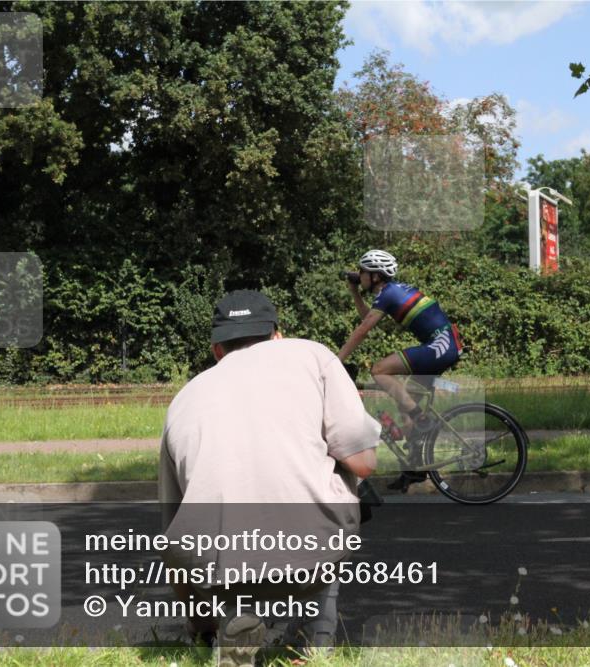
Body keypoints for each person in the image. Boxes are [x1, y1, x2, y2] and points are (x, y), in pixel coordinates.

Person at [159, 289, 380, 667]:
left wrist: (199, 626)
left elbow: (173, 525)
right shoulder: (312, 355)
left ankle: (228, 624)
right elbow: (362, 462)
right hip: (312, 550)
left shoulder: (184, 397)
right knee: (348, 479)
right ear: (277, 335)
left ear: (217, 351)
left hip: (219, 564)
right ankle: (314, 643)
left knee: (201, 533)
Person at [337, 249, 463, 488]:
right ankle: (414, 469)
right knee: (405, 405)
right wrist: (355, 290)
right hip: (444, 345)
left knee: (379, 370)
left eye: (362, 271)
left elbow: (363, 330)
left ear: (374, 276)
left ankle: (422, 419)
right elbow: (368, 319)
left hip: (439, 346)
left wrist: (337, 359)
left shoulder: (389, 294)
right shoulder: (389, 292)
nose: (359, 274)